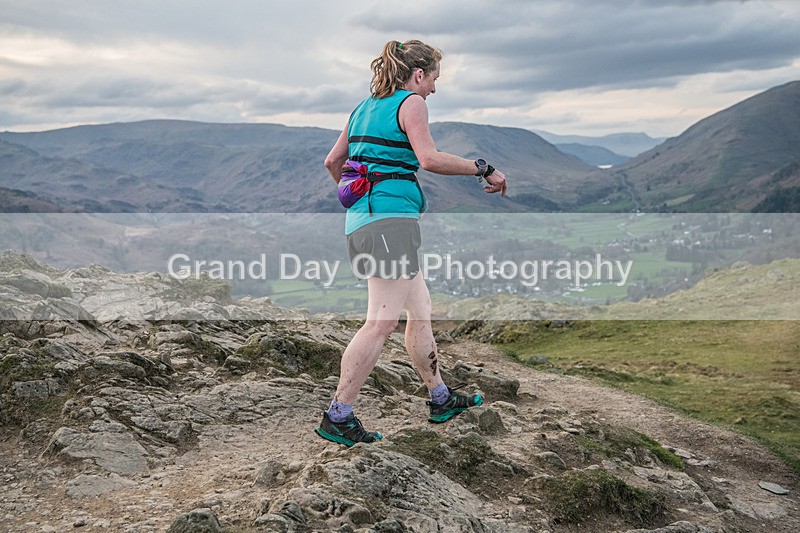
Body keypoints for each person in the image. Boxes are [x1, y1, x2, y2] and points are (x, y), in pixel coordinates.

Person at [317, 39, 508, 447]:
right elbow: (429, 159)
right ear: (418, 74)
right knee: (381, 322)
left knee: (420, 310)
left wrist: (364, 199)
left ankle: (440, 397)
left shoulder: (363, 108)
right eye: (434, 78)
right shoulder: (411, 103)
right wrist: (483, 168)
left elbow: (333, 162)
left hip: (365, 221)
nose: (434, 88)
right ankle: (338, 414)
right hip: (390, 226)